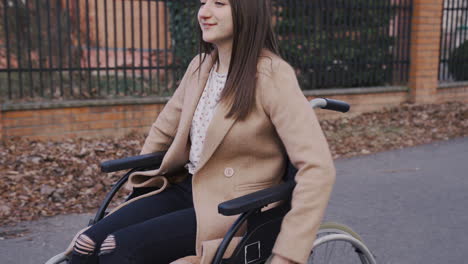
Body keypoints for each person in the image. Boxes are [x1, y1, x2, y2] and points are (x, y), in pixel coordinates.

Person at [69, 0, 335, 263]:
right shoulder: (200, 67)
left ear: (247, 11)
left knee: (118, 249)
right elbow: (163, 130)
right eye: (203, 2)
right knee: (86, 244)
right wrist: (139, 191)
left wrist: (288, 255)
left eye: (219, 3)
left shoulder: (271, 75)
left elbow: (317, 168)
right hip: (187, 187)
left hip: (235, 205)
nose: (204, 12)